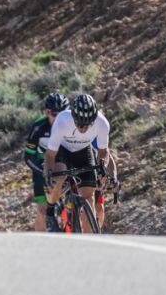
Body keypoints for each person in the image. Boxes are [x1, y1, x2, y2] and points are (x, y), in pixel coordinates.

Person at [43, 94, 114, 234]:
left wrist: (102, 168)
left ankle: (88, 242)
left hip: (83, 151)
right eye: (79, 123)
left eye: (87, 124)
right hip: (62, 150)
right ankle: (50, 210)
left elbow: (103, 152)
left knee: (89, 196)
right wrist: (49, 172)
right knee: (58, 179)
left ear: (94, 119)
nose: (82, 128)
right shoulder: (62, 120)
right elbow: (50, 154)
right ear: (73, 117)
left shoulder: (102, 123)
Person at [24, 92, 69, 232]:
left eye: (62, 114)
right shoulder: (39, 126)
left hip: (62, 162)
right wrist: (41, 171)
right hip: (41, 165)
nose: (58, 118)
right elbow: (28, 156)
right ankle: (42, 242)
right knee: (42, 210)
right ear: (47, 112)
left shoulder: (72, 125)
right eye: (54, 114)